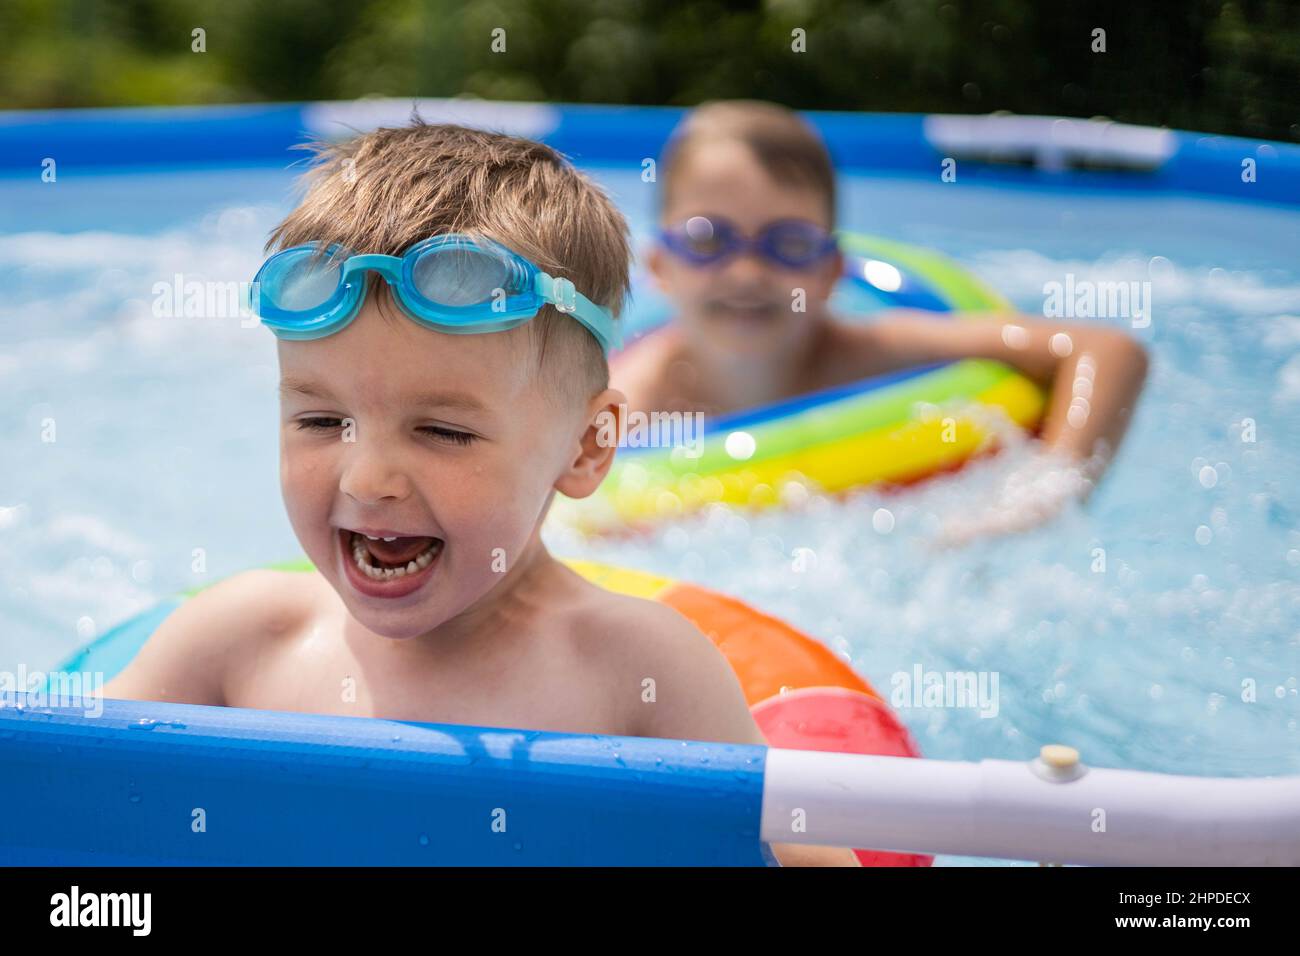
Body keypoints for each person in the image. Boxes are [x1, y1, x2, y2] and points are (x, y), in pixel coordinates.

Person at [103, 119, 856, 866]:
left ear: (587, 447)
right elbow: (58, 806)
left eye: (442, 431)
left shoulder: (639, 674)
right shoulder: (233, 646)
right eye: (322, 419)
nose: (368, 478)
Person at [616, 101, 1150, 542]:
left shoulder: (869, 351)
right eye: (709, 239)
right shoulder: (633, 397)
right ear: (660, 266)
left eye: (790, 244)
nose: (748, 272)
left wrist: (1049, 483)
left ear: (832, 273)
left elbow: (1105, 350)